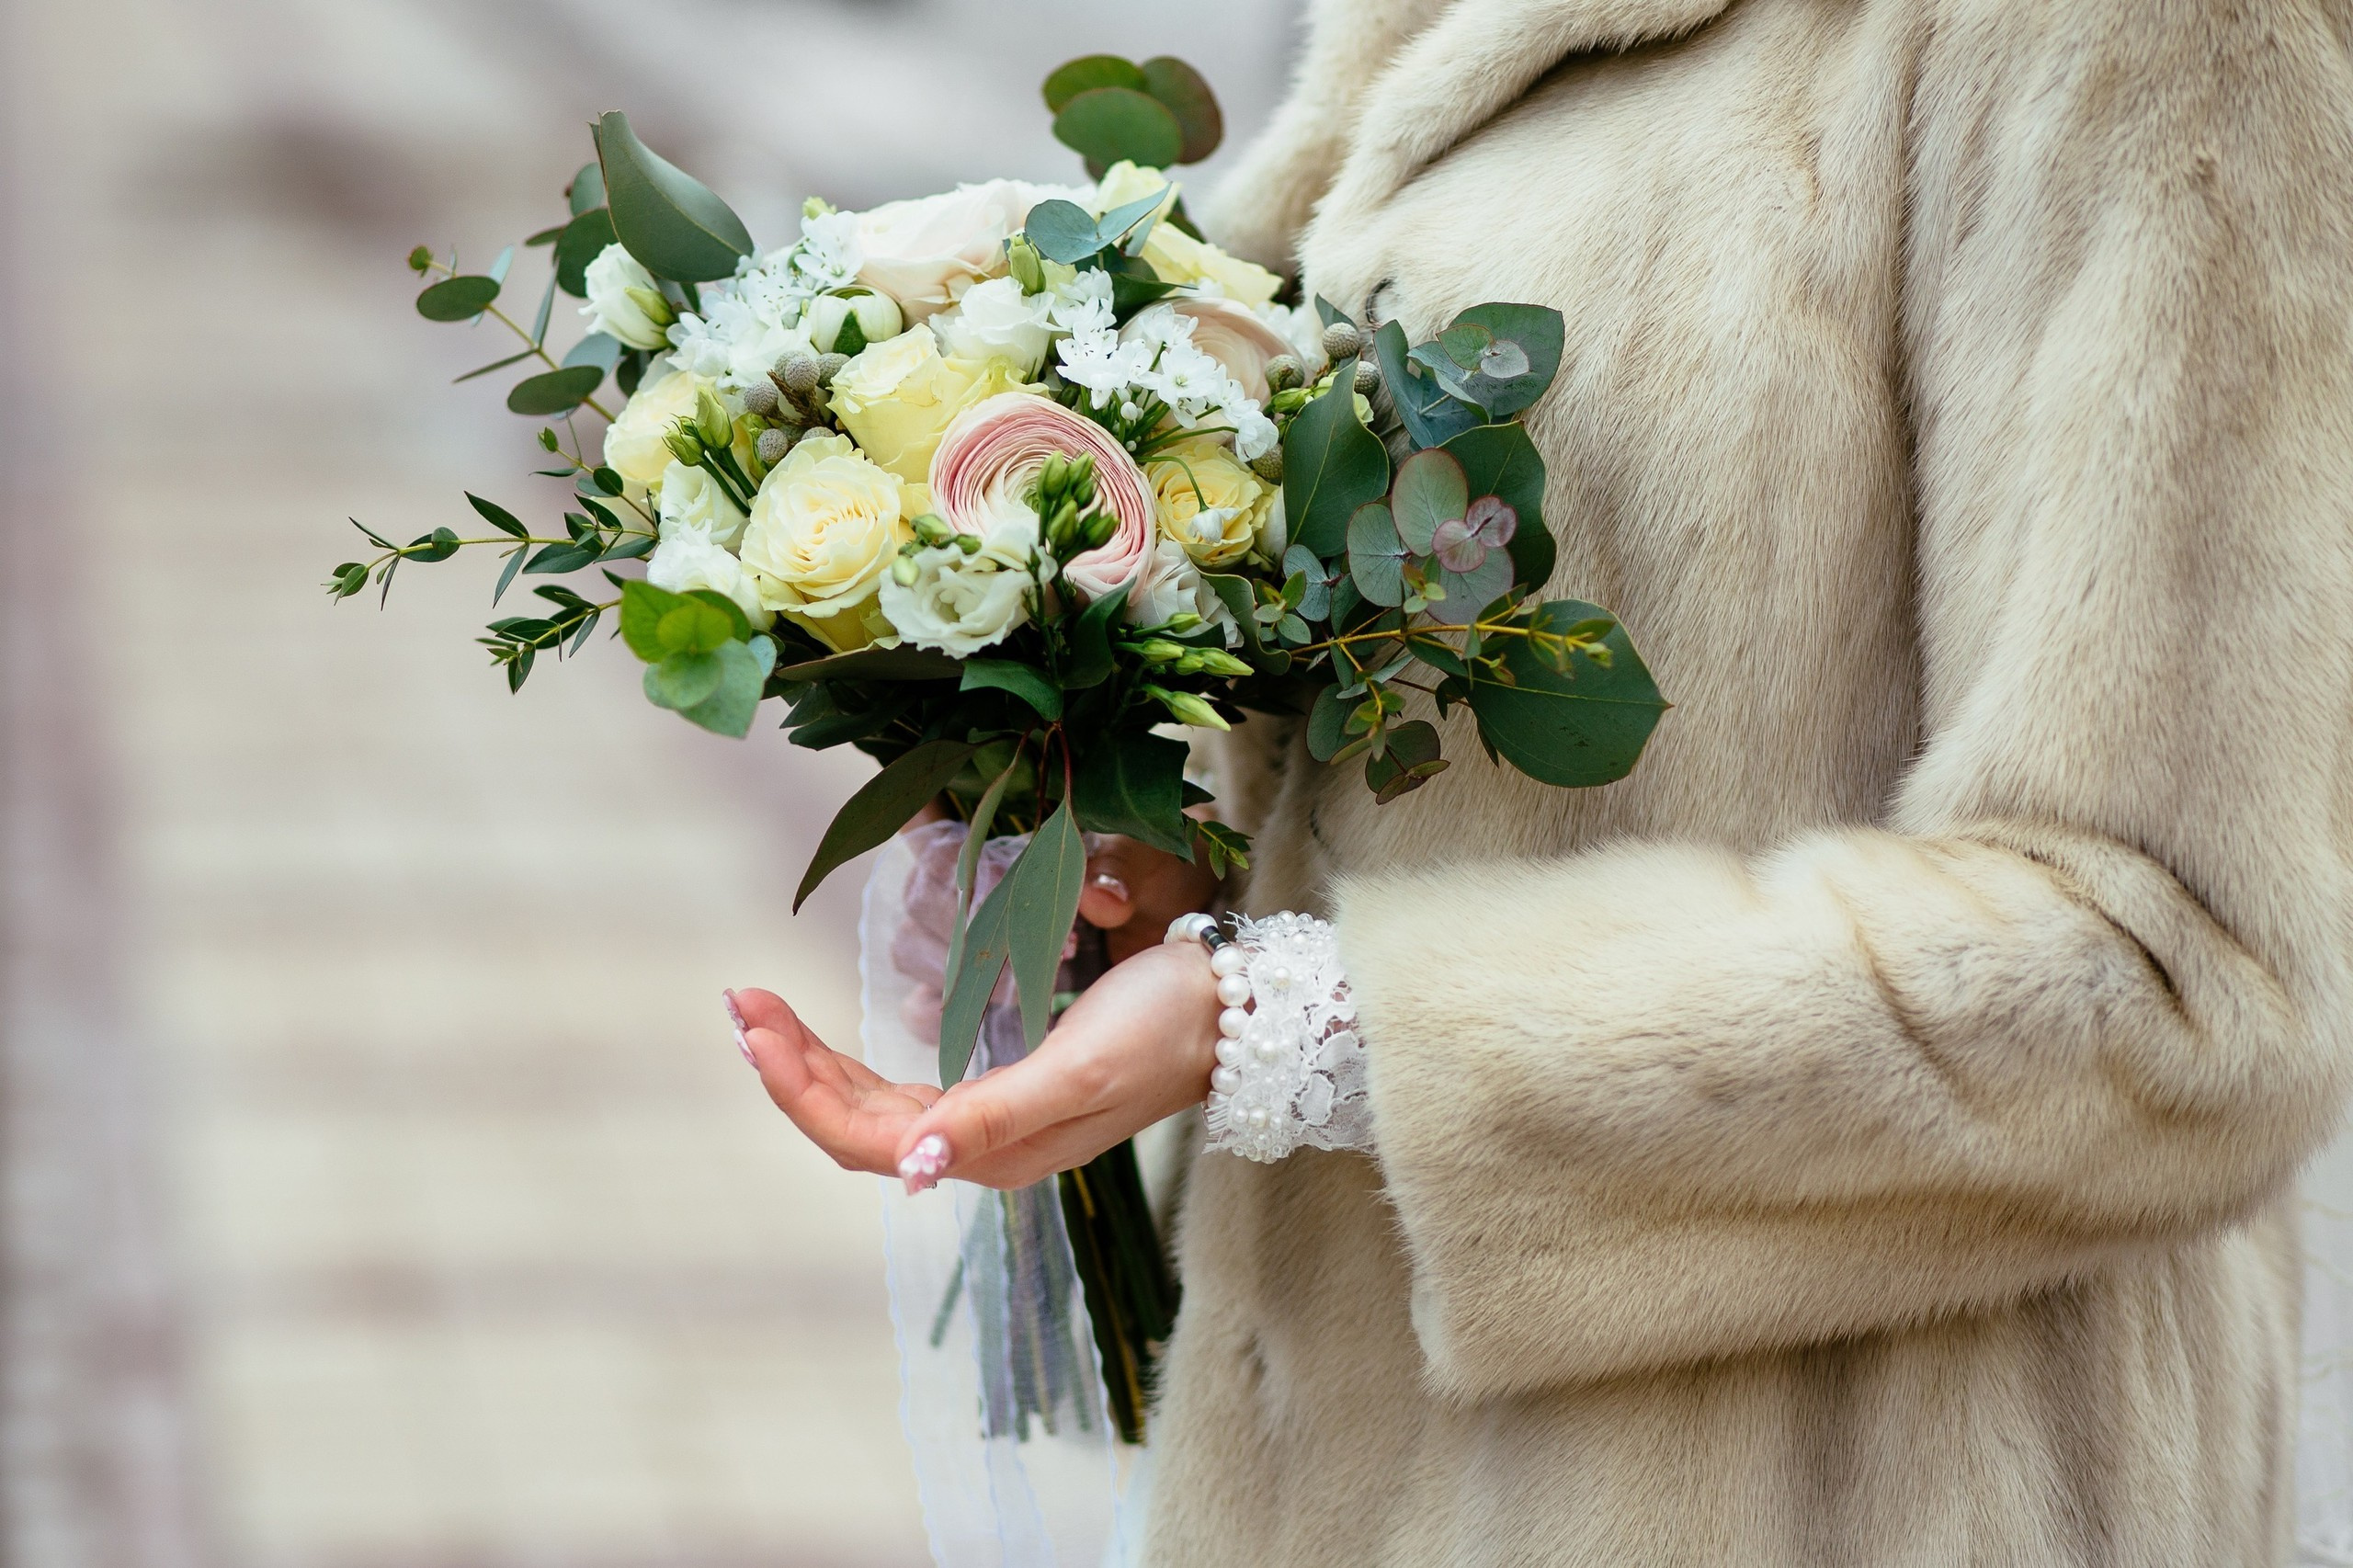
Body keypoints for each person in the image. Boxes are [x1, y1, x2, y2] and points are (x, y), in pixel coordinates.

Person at [730, 0, 2353, 1560]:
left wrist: (1300, 1019)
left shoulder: (2150, 38)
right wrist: (1176, 853)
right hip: (1342, 1453)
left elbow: (2177, 969)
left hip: (1843, 1481)